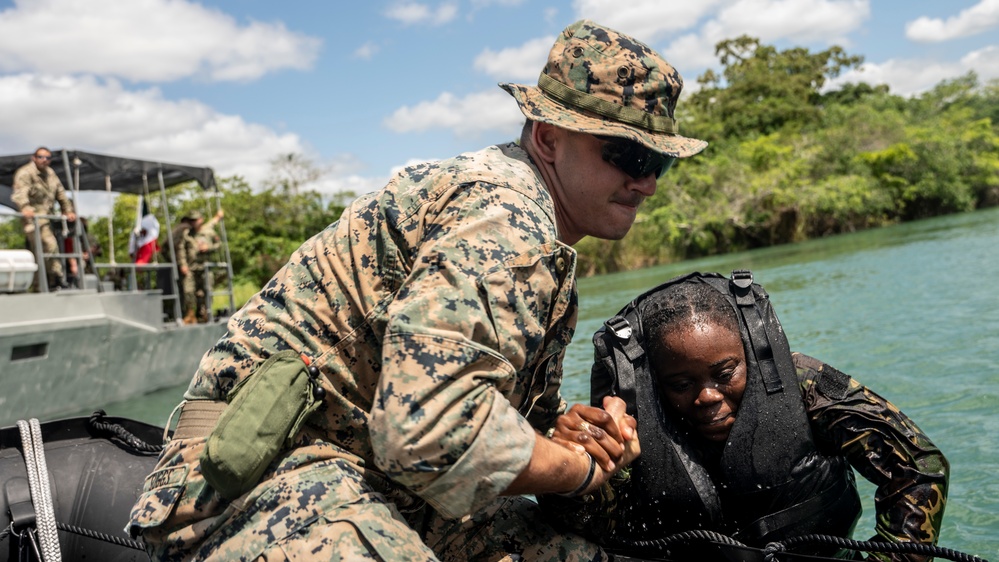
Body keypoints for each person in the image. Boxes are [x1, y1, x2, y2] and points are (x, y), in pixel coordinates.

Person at [127, 19, 705, 561]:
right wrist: (576, 469)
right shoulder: (504, 218)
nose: (647, 183)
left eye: (658, 162)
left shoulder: (531, 231)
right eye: (627, 154)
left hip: (383, 484)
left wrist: (559, 435)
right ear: (549, 138)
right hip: (255, 486)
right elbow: (430, 430)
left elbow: (463, 417)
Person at [540, 271, 949, 561]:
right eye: (681, 384)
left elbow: (918, 467)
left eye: (724, 374)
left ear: (750, 355)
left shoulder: (807, 385)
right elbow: (588, 528)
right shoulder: (626, 424)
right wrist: (574, 472)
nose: (707, 397)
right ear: (656, 383)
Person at [11, 147, 76, 290]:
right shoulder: (25, 173)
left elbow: (61, 193)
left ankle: (43, 284)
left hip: (48, 218)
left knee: (43, 251)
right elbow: (20, 194)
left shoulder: (50, 173)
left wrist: (68, 210)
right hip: (33, 220)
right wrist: (25, 207)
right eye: (40, 157)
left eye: (47, 158)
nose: (44, 160)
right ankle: (56, 278)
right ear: (33, 157)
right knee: (49, 245)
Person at [168, 211, 201, 324]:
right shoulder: (184, 231)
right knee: (188, 290)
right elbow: (180, 248)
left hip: (194, 266)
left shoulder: (191, 232)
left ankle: (198, 314)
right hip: (186, 266)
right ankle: (190, 314)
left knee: (197, 291)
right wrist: (182, 264)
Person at [191, 209, 224, 321]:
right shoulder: (190, 234)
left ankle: (207, 313)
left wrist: (208, 248)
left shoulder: (208, 231)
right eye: (192, 220)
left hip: (206, 267)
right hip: (195, 268)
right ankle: (199, 314)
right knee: (196, 293)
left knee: (208, 290)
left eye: (195, 220)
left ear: (200, 220)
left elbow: (218, 244)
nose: (194, 222)